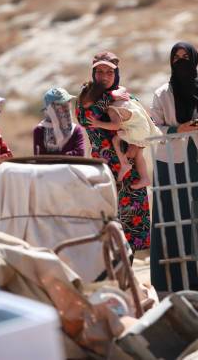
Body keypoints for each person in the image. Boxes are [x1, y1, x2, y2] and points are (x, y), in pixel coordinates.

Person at [149, 42, 198, 292]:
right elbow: (153, 129)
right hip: (171, 163)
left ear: (195, 59)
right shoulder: (162, 93)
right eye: (177, 57)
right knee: (173, 216)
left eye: (186, 57)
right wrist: (177, 129)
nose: (181, 61)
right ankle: (172, 279)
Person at [76, 51, 151, 251]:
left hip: (130, 169)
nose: (104, 76)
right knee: (106, 223)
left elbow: (144, 124)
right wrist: (109, 97)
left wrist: (136, 148)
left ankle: (128, 275)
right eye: (99, 71)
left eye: (109, 72)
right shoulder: (86, 98)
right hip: (104, 170)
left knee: (131, 225)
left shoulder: (127, 96)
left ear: (116, 73)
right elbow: (85, 119)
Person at [85, 84, 162, 189]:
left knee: (116, 139)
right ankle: (145, 178)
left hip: (138, 130)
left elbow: (115, 125)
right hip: (142, 125)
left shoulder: (112, 109)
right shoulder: (122, 98)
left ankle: (124, 163)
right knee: (138, 154)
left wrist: (98, 123)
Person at [33, 87, 86, 156]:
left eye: (68, 102)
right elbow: (39, 157)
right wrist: (67, 156)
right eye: (60, 105)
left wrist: (56, 157)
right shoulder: (40, 130)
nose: (66, 108)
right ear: (50, 109)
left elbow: (80, 154)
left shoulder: (76, 130)